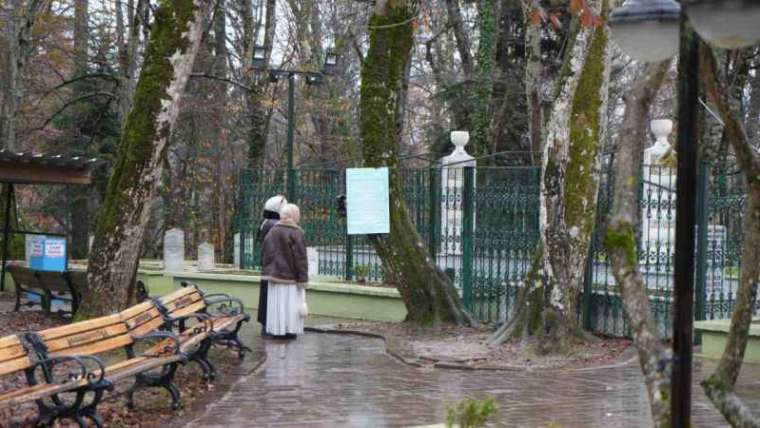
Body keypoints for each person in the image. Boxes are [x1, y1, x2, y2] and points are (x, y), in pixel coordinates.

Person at [262, 203, 308, 339]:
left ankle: (277, 330)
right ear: (294, 215)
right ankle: (289, 330)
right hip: (290, 278)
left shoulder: (272, 231)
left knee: (276, 306)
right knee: (290, 306)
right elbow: (300, 258)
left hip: (273, 276)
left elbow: (265, 252)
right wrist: (303, 279)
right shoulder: (296, 232)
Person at [256, 195, 287, 336]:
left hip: (268, 265)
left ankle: (265, 324)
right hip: (275, 266)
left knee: (266, 296)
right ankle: (271, 326)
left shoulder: (265, 222)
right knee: (272, 297)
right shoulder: (276, 224)